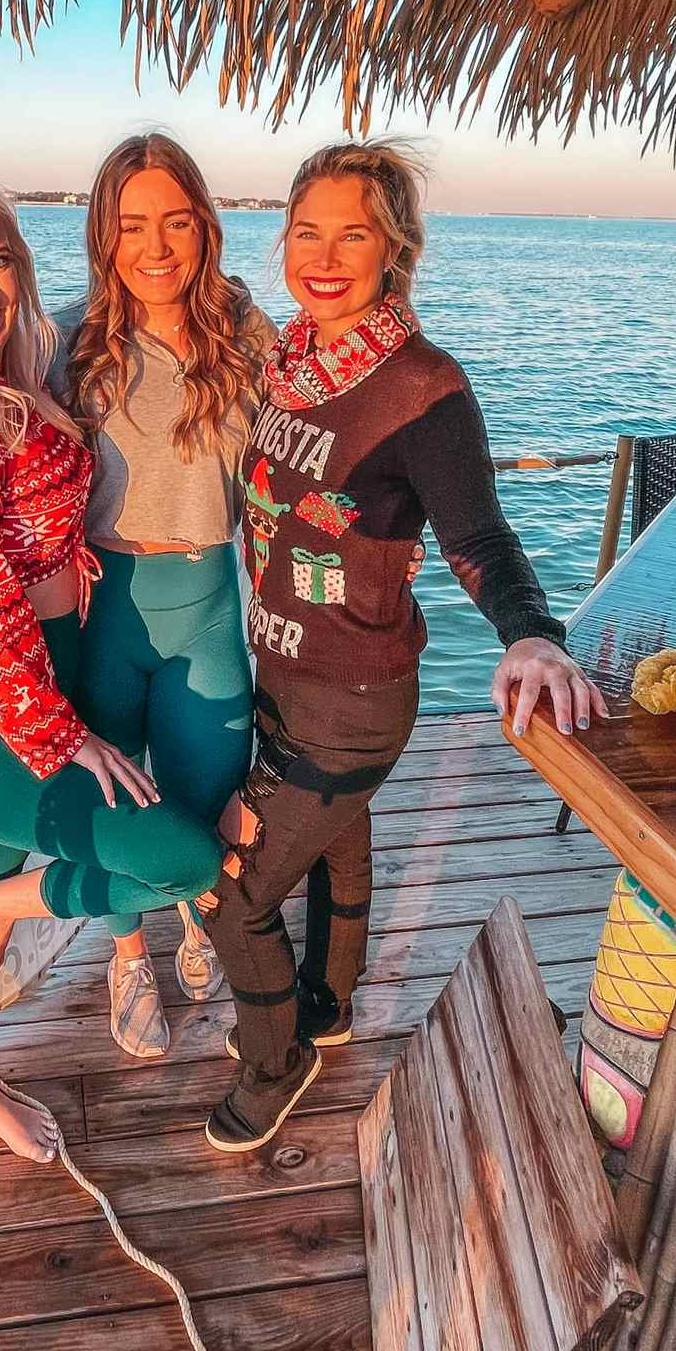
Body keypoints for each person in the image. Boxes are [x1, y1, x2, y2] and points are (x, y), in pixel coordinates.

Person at [199, 140, 609, 1154]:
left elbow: (478, 536)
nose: (326, 256)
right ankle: (328, 1009)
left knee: (236, 892)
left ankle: (273, 1062)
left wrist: (532, 635)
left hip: (357, 698)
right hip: (284, 677)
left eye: (355, 234)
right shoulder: (285, 364)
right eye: (307, 232)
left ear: (397, 249)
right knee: (339, 851)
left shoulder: (423, 386)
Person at [0, 132, 279, 1058]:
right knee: (121, 803)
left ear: (207, 227)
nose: (156, 246)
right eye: (131, 225)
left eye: (177, 222)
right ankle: (124, 958)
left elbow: (298, 473)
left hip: (205, 602)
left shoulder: (250, 335)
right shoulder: (63, 342)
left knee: (198, 793)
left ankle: (192, 921)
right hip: (104, 613)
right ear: (101, 236)